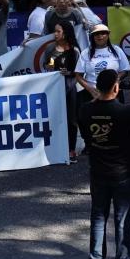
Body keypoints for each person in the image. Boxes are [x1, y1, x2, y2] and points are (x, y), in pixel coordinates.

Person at [79, 68, 130, 259]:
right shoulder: (126, 111)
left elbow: (84, 133)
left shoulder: (84, 110)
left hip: (98, 172)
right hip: (124, 174)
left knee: (98, 217)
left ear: (97, 87)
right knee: (122, 220)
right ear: (116, 88)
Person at [44, 22, 81, 162]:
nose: (55, 34)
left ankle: (71, 150)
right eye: (55, 31)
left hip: (70, 90)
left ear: (65, 33)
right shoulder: (50, 48)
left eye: (58, 31)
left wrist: (69, 73)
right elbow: (47, 66)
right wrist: (50, 66)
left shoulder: (75, 50)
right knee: (55, 119)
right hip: (54, 91)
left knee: (71, 120)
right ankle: (57, 149)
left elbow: (79, 72)